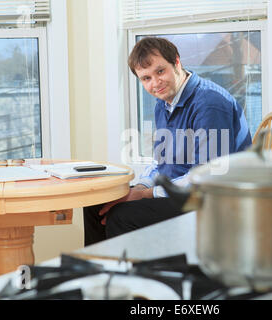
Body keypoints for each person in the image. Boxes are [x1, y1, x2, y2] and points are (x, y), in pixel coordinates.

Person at [83, 37, 252, 246]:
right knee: (95, 205)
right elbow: (161, 162)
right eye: (146, 78)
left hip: (214, 201)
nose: (155, 83)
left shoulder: (209, 104)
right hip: (182, 192)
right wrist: (141, 187)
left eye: (160, 71)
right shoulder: (163, 104)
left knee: (121, 216)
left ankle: (133, 277)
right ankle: (98, 273)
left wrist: (146, 194)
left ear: (177, 63)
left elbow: (207, 177)